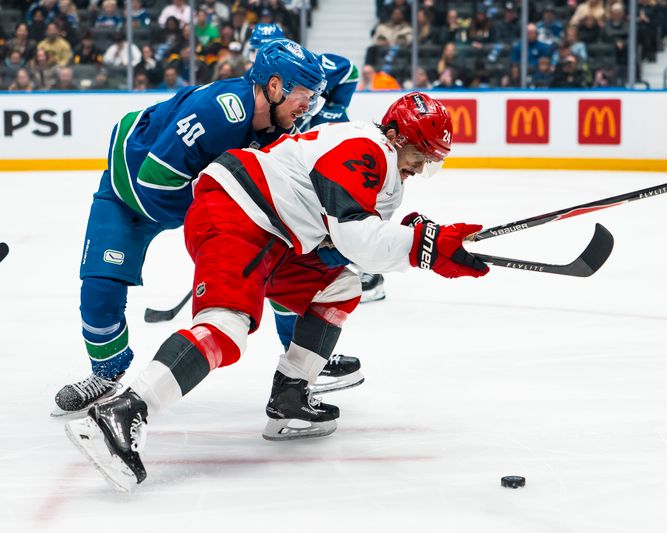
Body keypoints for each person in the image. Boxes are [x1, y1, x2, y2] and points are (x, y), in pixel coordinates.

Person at [65, 92, 489, 491]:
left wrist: (418, 236)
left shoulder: (384, 172)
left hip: (276, 234)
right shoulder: (365, 146)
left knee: (339, 285)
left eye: (432, 162)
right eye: (421, 156)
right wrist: (425, 247)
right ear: (396, 136)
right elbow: (359, 239)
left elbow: (349, 245)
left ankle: (289, 398)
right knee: (226, 329)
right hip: (239, 213)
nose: (420, 168)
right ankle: (122, 412)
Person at [50, 39, 345, 416]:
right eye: (304, 95)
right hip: (129, 194)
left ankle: (297, 360)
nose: (308, 107)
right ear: (274, 86)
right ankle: (106, 372)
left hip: (190, 197)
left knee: (278, 262)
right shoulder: (219, 112)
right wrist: (223, 204)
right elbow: (154, 181)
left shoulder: (280, 134)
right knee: (100, 288)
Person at [246, 24, 373, 378]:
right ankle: (298, 356)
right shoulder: (253, 89)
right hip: (283, 183)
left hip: (315, 161)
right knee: (287, 272)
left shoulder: (309, 64)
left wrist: (334, 108)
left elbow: (347, 70)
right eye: (257, 46)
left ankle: (303, 357)